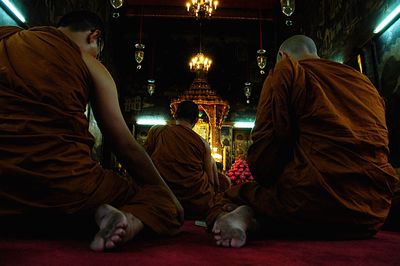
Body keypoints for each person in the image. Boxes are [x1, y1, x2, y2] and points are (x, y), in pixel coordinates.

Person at [0, 10, 183, 251]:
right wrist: (167, 197)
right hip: (66, 191)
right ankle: (123, 218)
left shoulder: (6, 41)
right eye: (99, 52)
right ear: (94, 37)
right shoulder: (88, 63)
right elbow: (125, 145)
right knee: (161, 203)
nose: (97, 57)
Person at [211, 35, 399, 248]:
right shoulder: (363, 82)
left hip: (309, 204)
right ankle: (256, 220)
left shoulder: (286, 72)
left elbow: (263, 165)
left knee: (230, 196)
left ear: (283, 56)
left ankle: (248, 216)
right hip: (371, 212)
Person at [144, 101, 228, 223]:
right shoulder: (203, 143)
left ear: (175, 115)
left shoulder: (157, 132)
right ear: (196, 120)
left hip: (163, 198)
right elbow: (211, 181)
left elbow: (143, 162)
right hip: (195, 203)